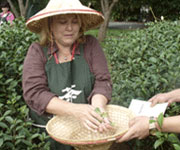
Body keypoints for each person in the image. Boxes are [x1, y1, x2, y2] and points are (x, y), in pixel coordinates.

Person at [23, 0, 112, 149]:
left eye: (75, 22)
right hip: (49, 134)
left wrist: (97, 110)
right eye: (62, 22)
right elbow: (34, 93)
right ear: (50, 25)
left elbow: (102, 81)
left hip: (87, 131)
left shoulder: (90, 45)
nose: (69, 28)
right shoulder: (38, 51)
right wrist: (76, 110)